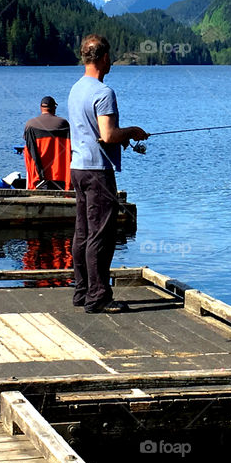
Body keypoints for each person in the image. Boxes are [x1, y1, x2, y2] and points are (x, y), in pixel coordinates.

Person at [68, 35, 148, 314]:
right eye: (109, 56)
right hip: (97, 171)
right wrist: (132, 132)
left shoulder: (76, 89)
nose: (111, 61)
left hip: (77, 168)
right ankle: (98, 296)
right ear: (102, 58)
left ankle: (81, 290)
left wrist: (117, 138)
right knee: (100, 234)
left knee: (82, 232)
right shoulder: (104, 93)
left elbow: (92, 133)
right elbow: (108, 134)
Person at [23, 96, 71, 190]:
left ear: (41, 108)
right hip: (59, 173)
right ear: (54, 108)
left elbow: (29, 146)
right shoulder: (63, 123)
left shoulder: (30, 124)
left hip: (38, 175)